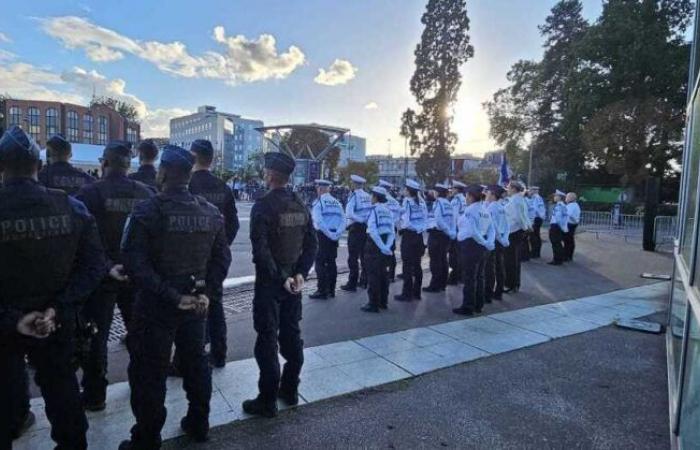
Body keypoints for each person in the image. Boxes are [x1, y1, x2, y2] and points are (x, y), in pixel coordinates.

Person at [0, 126, 106, 450]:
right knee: (63, 392)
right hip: (55, 322)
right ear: (40, 167)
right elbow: (94, 266)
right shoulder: (71, 208)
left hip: (5, 323)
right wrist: (57, 309)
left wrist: (14, 318)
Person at [119, 145, 231, 448]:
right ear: (189, 174)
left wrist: (170, 295)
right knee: (196, 364)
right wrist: (206, 293)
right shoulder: (210, 212)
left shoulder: (147, 211)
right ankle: (199, 423)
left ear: (164, 172)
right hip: (195, 304)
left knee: (149, 373)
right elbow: (222, 260)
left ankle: (147, 437)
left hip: (156, 306)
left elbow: (133, 263)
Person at [75, 141, 154, 411]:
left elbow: (84, 241)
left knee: (97, 336)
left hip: (101, 276)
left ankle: (95, 394)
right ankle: (142, 382)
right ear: (128, 164)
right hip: (136, 276)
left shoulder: (89, 194)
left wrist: (108, 265)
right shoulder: (146, 193)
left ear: (104, 163)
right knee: (140, 333)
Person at [242, 152, 317, 418]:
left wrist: (281, 277)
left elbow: (260, 252)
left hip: (271, 286)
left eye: (265, 171)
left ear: (271, 175)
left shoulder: (263, 205)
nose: (264, 175)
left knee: (266, 340)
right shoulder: (300, 204)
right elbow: (312, 244)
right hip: (293, 286)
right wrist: (300, 275)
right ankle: (290, 389)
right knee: (292, 336)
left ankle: (267, 399)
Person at [188, 139, 238, 367]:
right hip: (216, 257)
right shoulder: (223, 187)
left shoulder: (187, 185)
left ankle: (192, 354)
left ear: (193, 156)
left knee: (191, 304)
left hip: (192, 257)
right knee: (216, 304)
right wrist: (222, 246)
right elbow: (234, 224)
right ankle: (220, 354)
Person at [453, 185, 495, 316]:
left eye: (467, 196)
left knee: (470, 277)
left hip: (471, 245)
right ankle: (478, 304)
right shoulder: (484, 210)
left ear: (471, 197)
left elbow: (472, 230)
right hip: (482, 245)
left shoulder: (470, 211)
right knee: (480, 276)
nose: (465, 198)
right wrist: (488, 243)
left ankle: (468, 306)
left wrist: (483, 242)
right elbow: (491, 229)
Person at [361, 186, 395, 312]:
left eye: (372, 196)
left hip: (374, 246)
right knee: (383, 275)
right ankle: (383, 302)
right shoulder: (388, 211)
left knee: (373, 275)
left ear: (375, 197)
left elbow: (373, 232)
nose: (371, 198)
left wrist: (381, 247)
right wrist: (387, 247)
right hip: (386, 243)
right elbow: (392, 231)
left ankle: (373, 303)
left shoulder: (373, 211)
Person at [310, 179, 345, 300]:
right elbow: (343, 220)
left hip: (323, 236)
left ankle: (322, 290)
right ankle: (331, 290)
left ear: (320, 189)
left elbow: (319, 222)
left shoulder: (319, 202)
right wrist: (337, 234)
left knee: (319, 262)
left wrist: (328, 234)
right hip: (334, 235)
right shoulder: (337, 202)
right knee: (331, 262)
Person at [395, 179, 427, 302]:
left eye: (405, 189)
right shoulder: (422, 202)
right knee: (417, 265)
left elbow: (407, 221)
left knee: (407, 266)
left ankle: (407, 294)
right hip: (419, 236)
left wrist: (401, 227)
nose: (403, 191)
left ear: (408, 191)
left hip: (409, 236)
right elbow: (424, 220)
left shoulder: (407, 201)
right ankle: (416, 292)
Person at [341, 175, 372, 292]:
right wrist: (365, 220)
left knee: (353, 257)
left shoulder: (354, 196)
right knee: (364, 256)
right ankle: (364, 280)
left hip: (356, 228)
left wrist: (359, 220)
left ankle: (352, 283)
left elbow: (349, 213)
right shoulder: (368, 196)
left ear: (354, 184)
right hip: (366, 228)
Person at [424, 183, 455, 293]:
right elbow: (452, 220)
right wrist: (450, 232)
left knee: (435, 261)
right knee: (443, 260)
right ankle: (442, 284)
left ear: (437, 192)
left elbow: (439, 221)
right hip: (445, 236)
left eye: (434, 192)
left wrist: (447, 231)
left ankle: (435, 285)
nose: (433, 193)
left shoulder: (438, 203)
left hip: (437, 234)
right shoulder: (448, 203)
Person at [503, 181, 531, 293]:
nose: (507, 190)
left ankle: (511, 284)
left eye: (509, 188)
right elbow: (525, 215)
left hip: (513, 232)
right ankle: (514, 284)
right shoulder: (520, 199)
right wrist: (527, 226)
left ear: (514, 189)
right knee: (515, 259)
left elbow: (518, 217)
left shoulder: (515, 200)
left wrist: (525, 227)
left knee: (510, 260)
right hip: (516, 232)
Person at [484, 185, 509, 301]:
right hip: (501, 240)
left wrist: (500, 239)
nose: (486, 194)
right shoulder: (501, 207)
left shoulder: (492, 208)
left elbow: (493, 226)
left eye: (488, 192)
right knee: (500, 266)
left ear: (493, 194)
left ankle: (488, 293)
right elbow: (506, 225)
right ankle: (498, 291)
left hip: (494, 240)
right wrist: (505, 238)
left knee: (490, 268)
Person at [379, 180, 402, 282]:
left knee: (382, 251)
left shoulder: (383, 201)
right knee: (391, 251)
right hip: (392, 227)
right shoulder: (395, 201)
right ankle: (391, 275)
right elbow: (398, 217)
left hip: (384, 229)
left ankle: (383, 274)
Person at [447, 181, 467, 284]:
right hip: (463, 230)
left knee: (453, 256)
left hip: (456, 230)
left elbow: (454, 217)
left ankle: (454, 277)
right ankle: (461, 276)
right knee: (461, 254)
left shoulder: (455, 201)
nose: (452, 190)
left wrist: (452, 232)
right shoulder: (464, 199)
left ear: (457, 189)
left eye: (453, 188)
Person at [548, 190, 569, 266]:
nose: (554, 197)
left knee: (556, 243)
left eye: (556, 196)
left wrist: (560, 226)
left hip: (556, 226)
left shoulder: (559, 205)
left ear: (559, 197)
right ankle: (558, 259)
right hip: (557, 226)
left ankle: (557, 260)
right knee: (557, 243)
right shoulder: (560, 205)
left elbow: (558, 218)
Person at [529, 186, 546, 258]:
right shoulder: (539, 198)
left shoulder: (535, 198)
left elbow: (534, 209)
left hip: (536, 218)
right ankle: (537, 252)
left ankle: (534, 253)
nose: (529, 192)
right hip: (539, 218)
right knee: (537, 235)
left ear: (534, 191)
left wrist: (532, 220)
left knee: (533, 236)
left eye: (530, 190)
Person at [564, 192, 581, 261]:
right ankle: (568, 256)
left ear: (571, 198)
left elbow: (568, 214)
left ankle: (567, 256)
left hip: (570, 224)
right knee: (569, 240)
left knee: (568, 240)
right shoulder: (573, 205)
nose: (566, 198)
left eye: (567, 197)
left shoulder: (572, 206)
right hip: (571, 224)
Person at [521, 187, 535, 262]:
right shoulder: (529, 201)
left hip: (526, 223)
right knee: (525, 241)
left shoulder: (524, 201)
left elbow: (524, 214)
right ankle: (526, 256)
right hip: (529, 222)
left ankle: (524, 257)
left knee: (523, 241)